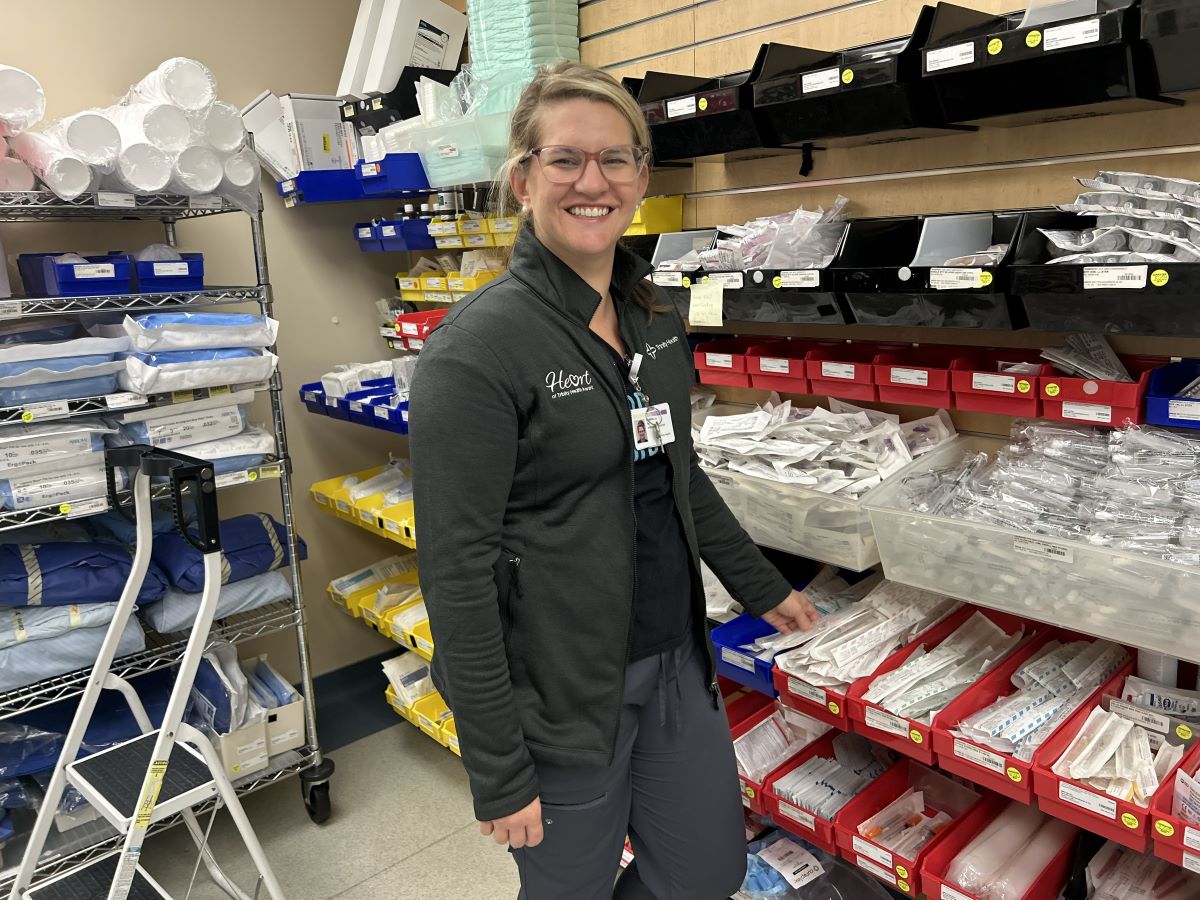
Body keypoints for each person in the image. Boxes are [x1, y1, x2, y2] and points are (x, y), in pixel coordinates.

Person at [409, 60, 819, 900]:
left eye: (615, 159)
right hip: (561, 686)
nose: (592, 183)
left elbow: (677, 470)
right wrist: (498, 766)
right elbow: (455, 573)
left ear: (641, 176)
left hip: (675, 659)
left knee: (705, 873)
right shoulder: (477, 350)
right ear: (523, 180)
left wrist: (760, 586)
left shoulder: (653, 312)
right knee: (572, 887)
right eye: (565, 159)